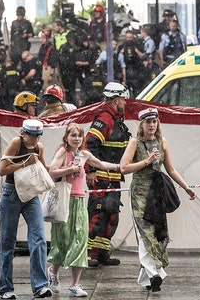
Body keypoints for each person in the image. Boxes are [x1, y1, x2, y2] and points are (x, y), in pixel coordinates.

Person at [119, 107, 197, 292]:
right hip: (139, 193)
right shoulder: (134, 143)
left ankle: (147, 279)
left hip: (156, 193)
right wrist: (146, 161)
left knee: (157, 234)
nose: (152, 125)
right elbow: (123, 168)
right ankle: (155, 273)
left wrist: (186, 188)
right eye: (148, 122)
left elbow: (171, 169)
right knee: (145, 233)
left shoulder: (162, 142)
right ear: (142, 124)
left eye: (154, 121)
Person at [47, 123, 120, 297]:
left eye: (79, 136)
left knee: (80, 240)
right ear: (67, 137)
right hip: (65, 201)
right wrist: (71, 168)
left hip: (79, 201)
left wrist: (118, 167)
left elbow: (101, 164)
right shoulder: (63, 152)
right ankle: (53, 272)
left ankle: (75, 284)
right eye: (73, 135)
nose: (77, 139)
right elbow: (52, 171)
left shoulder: (84, 154)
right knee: (63, 240)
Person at [0, 119, 52, 299]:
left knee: (39, 239)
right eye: (32, 136)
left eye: (38, 136)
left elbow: (43, 168)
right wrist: (24, 164)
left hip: (30, 195)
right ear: (24, 133)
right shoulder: (16, 143)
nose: (35, 140)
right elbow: (2, 169)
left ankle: (40, 286)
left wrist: (65, 169)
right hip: (11, 194)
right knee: (7, 242)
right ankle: (6, 288)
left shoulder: (39, 147)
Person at [85, 82, 131, 267]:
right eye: (123, 99)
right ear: (115, 99)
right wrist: (90, 170)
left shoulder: (117, 120)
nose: (125, 103)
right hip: (101, 178)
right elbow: (89, 144)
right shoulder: (105, 119)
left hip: (113, 179)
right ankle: (86, 254)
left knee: (111, 216)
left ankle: (101, 253)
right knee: (97, 216)